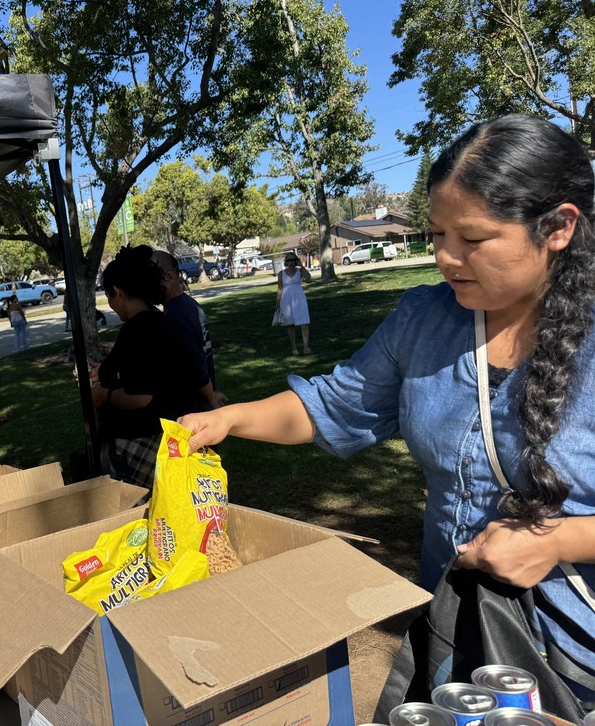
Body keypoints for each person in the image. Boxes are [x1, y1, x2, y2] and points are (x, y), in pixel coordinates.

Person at [179, 115, 595, 702]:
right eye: (436, 236)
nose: (447, 258)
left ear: (558, 228)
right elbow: (336, 404)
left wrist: (555, 542)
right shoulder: (424, 320)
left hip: (575, 659)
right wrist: (230, 419)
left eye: (471, 239)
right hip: (457, 634)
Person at [90, 245, 209, 489]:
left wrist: (104, 395)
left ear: (118, 291)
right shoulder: (161, 322)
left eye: (109, 297)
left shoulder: (137, 330)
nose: (111, 304)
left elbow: (141, 396)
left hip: (144, 443)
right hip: (171, 435)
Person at [152, 250, 226, 408]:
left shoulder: (176, 314)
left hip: (192, 407)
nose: (149, 285)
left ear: (169, 277)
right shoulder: (188, 304)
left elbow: (194, 363)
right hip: (201, 401)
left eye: (153, 278)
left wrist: (210, 396)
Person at [277, 252, 312, 355]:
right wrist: (277, 303)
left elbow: (308, 277)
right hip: (286, 299)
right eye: (289, 260)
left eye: (293, 260)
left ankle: (306, 346)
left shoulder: (300, 271)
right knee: (290, 324)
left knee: (304, 323)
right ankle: (294, 347)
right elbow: (280, 289)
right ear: (286, 262)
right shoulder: (281, 274)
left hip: (299, 298)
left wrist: (301, 265)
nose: (291, 262)